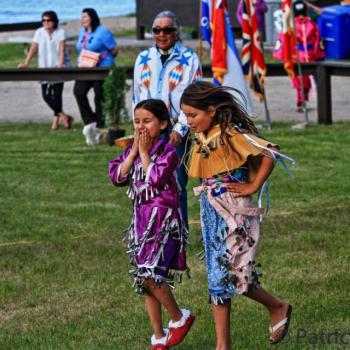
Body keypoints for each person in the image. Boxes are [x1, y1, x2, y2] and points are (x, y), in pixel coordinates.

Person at [180, 81, 293, 349]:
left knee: (238, 273)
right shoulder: (202, 134)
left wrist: (253, 186)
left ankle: (277, 307)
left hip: (234, 209)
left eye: (192, 115)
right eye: (185, 115)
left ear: (211, 110)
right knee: (217, 276)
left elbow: (270, 151)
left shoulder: (231, 133)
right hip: (210, 208)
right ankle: (223, 345)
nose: (188, 121)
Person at [109, 99, 195, 350]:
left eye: (147, 121)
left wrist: (145, 153)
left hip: (163, 223)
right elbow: (117, 177)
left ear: (164, 123)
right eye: (137, 122)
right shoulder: (132, 151)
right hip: (141, 223)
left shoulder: (168, 152)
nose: (141, 127)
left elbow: (155, 179)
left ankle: (180, 317)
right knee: (143, 278)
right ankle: (159, 335)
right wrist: (135, 151)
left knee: (150, 274)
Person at [133, 10, 203, 228]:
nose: (161, 34)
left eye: (167, 30)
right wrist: (138, 126)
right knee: (146, 178)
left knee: (176, 182)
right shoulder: (143, 59)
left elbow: (193, 98)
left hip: (175, 131)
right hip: (147, 131)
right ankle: (151, 229)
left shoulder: (189, 59)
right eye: (157, 30)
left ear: (176, 32)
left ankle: (179, 233)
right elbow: (136, 95)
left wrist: (180, 130)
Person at [18, 10, 73, 130]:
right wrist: (26, 63)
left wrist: (61, 63)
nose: (46, 23)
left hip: (57, 66)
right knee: (46, 95)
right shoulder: (39, 32)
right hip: (44, 66)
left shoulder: (60, 32)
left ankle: (55, 123)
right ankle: (64, 116)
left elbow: (62, 49)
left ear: (54, 21)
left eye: (48, 20)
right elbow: (33, 48)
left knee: (57, 95)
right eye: (44, 20)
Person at [74, 8, 118, 145]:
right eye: (82, 17)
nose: (82, 19)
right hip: (86, 67)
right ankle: (90, 122)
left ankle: (99, 125)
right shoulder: (83, 32)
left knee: (99, 96)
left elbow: (114, 49)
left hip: (101, 68)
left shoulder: (103, 31)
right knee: (78, 92)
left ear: (92, 17)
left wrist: (105, 62)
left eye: (85, 17)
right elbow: (81, 48)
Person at [292, 0, 325, 112]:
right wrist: (317, 54)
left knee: (300, 79)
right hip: (310, 55)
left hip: (297, 55)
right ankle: (320, 102)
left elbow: (287, 41)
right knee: (312, 78)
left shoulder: (291, 25)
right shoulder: (312, 23)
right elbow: (317, 40)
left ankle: (301, 102)